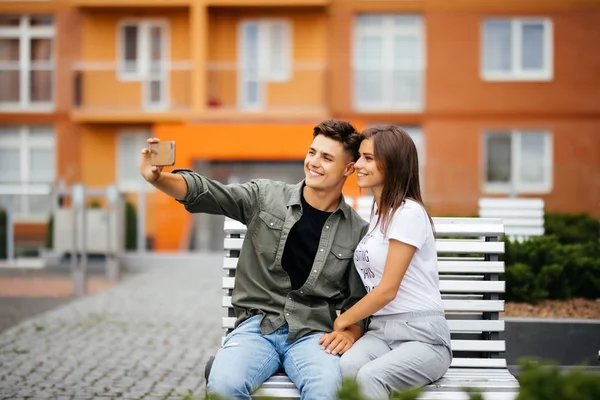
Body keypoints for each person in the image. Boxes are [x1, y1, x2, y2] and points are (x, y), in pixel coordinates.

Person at [139, 120, 369, 400]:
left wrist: (352, 332)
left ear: (348, 168)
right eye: (312, 152)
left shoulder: (357, 229)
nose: (314, 162)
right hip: (257, 327)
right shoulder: (266, 196)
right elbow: (208, 192)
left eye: (326, 157)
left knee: (329, 392)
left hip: (312, 334)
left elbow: (358, 299)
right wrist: (159, 179)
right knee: (224, 386)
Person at [332, 125, 452, 399]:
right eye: (359, 156)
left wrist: (342, 322)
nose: (357, 165)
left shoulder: (408, 213)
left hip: (422, 336)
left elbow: (387, 289)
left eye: (368, 158)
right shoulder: (377, 213)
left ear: (393, 164)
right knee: (348, 366)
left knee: (370, 377)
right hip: (381, 332)